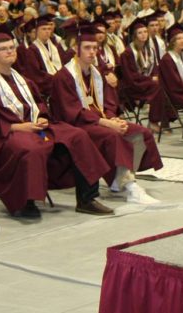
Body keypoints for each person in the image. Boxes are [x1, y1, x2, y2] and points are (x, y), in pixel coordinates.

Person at [0, 30, 112, 219]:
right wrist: (17, 127)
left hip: (35, 127)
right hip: (7, 134)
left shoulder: (22, 79)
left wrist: (43, 116)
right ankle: (26, 201)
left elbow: (39, 105)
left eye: (12, 47)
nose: (10, 51)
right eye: (3, 49)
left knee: (78, 135)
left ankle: (87, 199)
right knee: (30, 148)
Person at [49, 29, 160, 204]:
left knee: (140, 132)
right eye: (87, 47)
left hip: (99, 120)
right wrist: (106, 123)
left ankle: (118, 179)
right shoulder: (64, 76)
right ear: (76, 50)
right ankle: (130, 186)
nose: (92, 51)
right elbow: (71, 112)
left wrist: (112, 118)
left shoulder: (96, 73)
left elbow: (108, 103)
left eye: (95, 48)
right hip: (76, 125)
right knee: (113, 136)